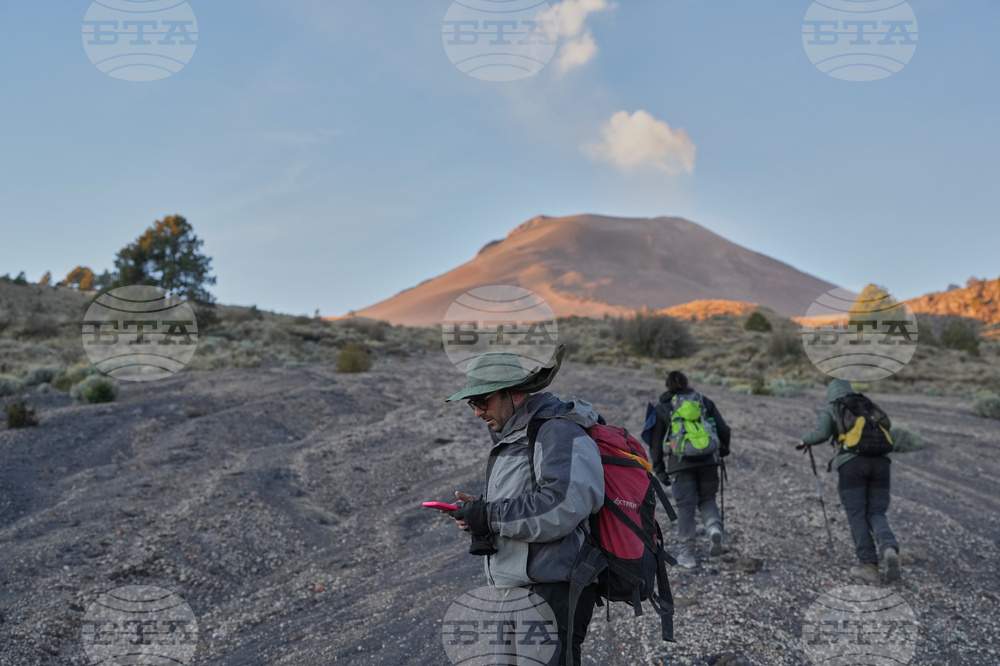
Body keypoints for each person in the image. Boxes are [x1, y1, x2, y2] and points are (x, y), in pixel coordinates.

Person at [445, 345, 605, 666]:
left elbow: (563, 504)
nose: (476, 411)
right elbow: (525, 498)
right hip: (517, 589)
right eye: (471, 403)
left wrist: (490, 516)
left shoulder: (556, 430)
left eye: (481, 400)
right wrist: (478, 513)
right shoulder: (516, 435)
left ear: (514, 393)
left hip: (552, 590)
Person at [799, 378, 900, 583]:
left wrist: (805, 440)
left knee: (857, 514)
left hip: (853, 465)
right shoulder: (867, 405)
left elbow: (821, 434)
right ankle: (889, 548)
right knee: (876, 511)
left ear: (830, 394)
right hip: (881, 463)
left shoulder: (834, 407)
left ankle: (869, 565)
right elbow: (888, 427)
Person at [645, 370, 731, 569]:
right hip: (709, 460)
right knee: (707, 499)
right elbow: (724, 429)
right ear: (687, 384)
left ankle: (687, 554)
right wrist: (722, 451)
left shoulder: (663, 408)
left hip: (680, 465)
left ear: (667, 387)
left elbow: (655, 443)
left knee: (686, 507)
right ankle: (713, 529)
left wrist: (659, 470)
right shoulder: (703, 401)